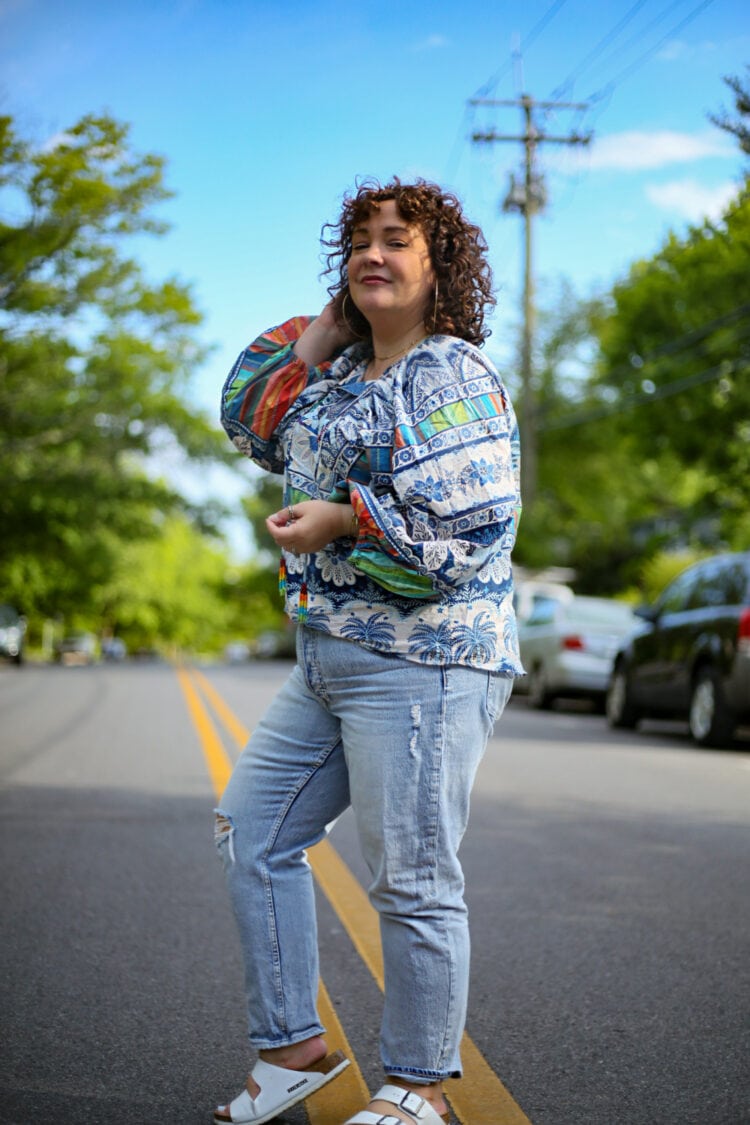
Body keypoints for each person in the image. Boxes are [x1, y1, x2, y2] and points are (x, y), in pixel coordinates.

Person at [214, 177, 523, 1125]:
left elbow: (467, 534)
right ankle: (294, 1047)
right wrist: (322, 335)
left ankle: (419, 1086)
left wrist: (344, 518)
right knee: (254, 830)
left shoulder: (453, 374)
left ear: (440, 268)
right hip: (329, 655)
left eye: (396, 240)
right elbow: (246, 421)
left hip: (424, 662)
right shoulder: (343, 377)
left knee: (413, 877)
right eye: (357, 242)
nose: (372, 254)